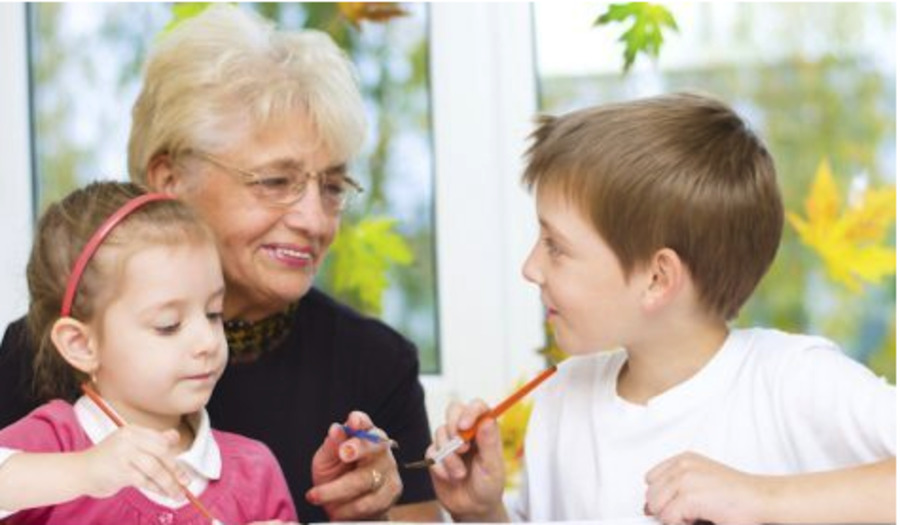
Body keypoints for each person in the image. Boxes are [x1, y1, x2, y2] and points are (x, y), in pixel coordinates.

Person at [0, 5, 439, 522]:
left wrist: (370, 518)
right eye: (275, 181)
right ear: (170, 182)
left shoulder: (377, 365)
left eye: (333, 186)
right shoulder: (41, 352)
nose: (315, 220)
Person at [426, 93, 897, 523]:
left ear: (657, 279)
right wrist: (482, 514)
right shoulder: (563, 397)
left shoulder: (790, 381)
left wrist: (759, 499)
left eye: (556, 247)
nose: (530, 268)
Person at [0, 181, 297, 524]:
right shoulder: (51, 443)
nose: (208, 341)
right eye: (168, 325)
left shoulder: (254, 472)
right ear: (81, 345)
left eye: (214, 314)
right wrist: (84, 471)